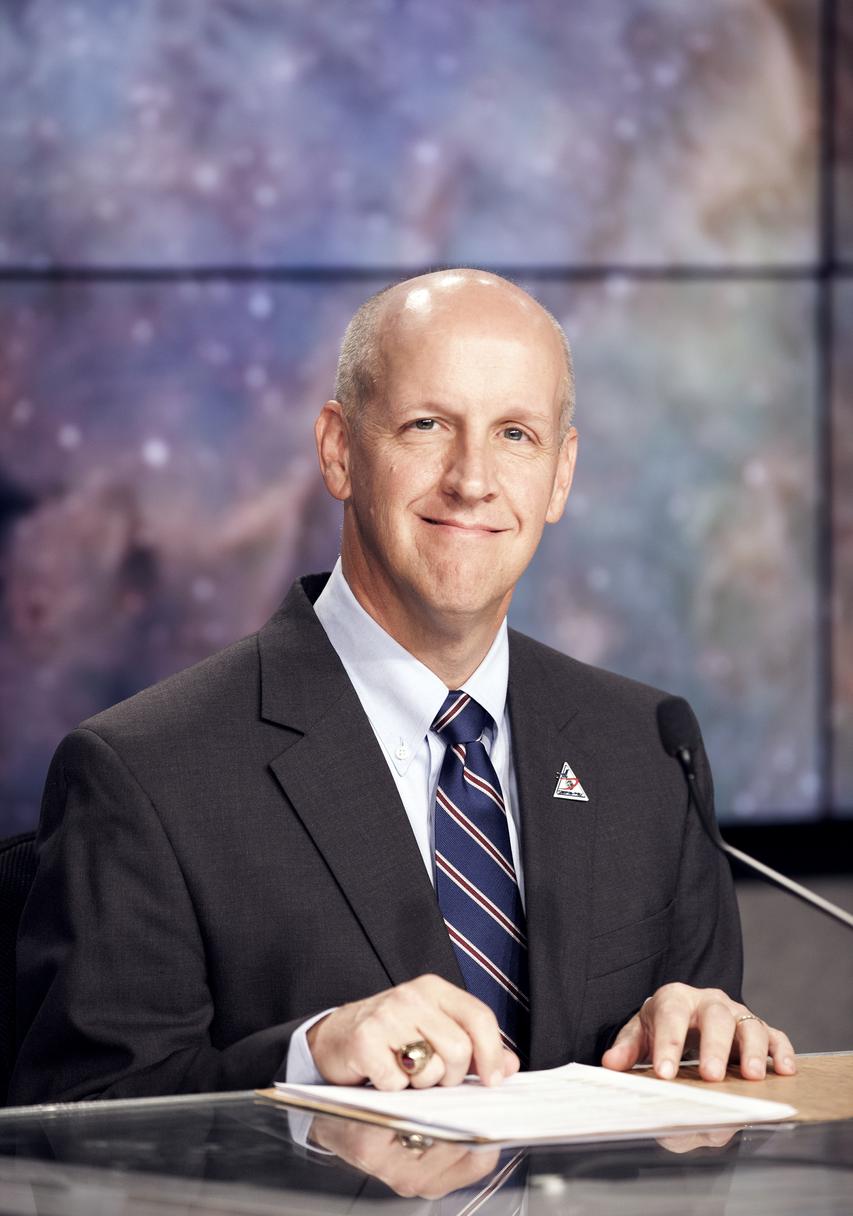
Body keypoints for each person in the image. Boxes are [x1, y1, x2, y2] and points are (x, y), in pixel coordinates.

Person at [9, 270, 795, 1105]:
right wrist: (307, 1060)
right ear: (338, 450)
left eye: (515, 436)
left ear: (561, 475)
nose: (472, 479)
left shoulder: (644, 747)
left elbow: (689, 1150)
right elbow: (79, 1130)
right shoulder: (146, 776)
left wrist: (701, 1040)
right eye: (428, 426)